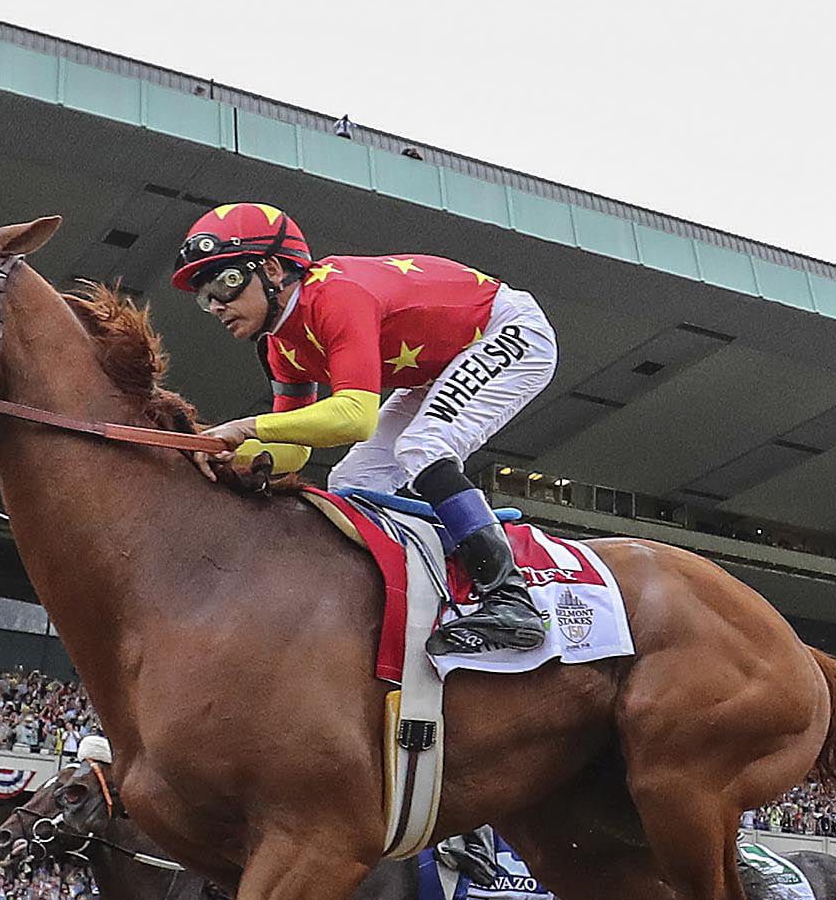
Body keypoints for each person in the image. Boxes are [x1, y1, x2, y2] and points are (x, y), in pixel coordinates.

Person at [171, 203, 556, 656]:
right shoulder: (279, 346)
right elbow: (294, 454)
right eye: (205, 295)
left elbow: (356, 416)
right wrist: (229, 452)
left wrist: (247, 426)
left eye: (226, 282)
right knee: (350, 482)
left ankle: (510, 599)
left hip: (508, 330)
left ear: (272, 269)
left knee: (424, 446)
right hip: (437, 367)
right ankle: (424, 590)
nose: (217, 304)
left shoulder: (335, 295)